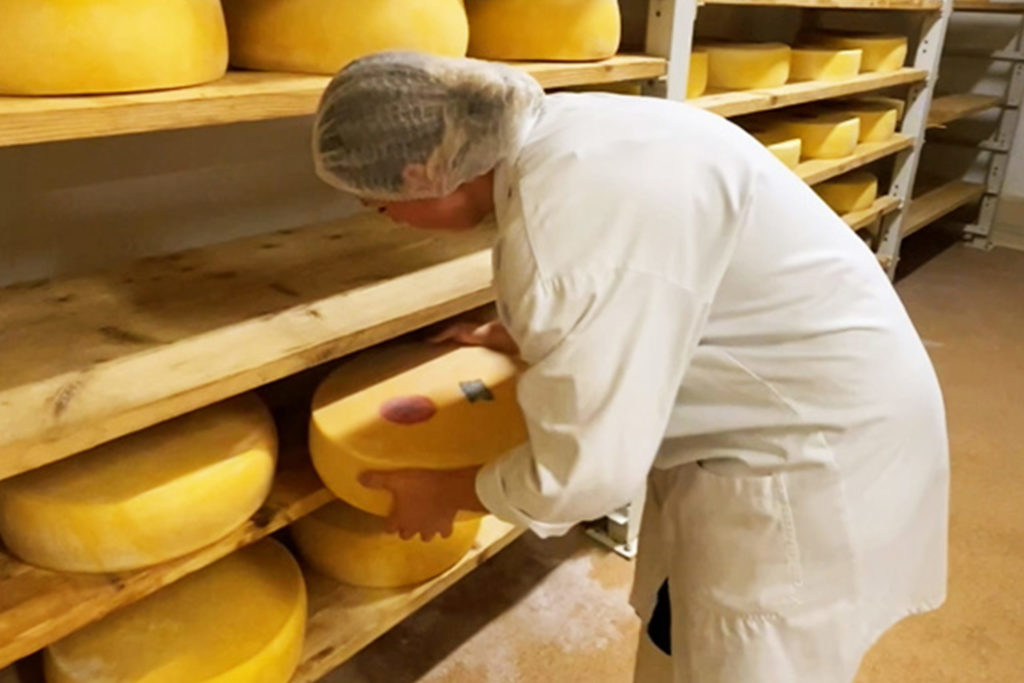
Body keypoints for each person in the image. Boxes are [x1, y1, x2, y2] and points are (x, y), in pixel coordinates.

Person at [312, 51, 949, 682]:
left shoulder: (566, 225)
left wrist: (446, 493)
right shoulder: (573, 130)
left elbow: (587, 474)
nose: (392, 219)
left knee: (750, 656)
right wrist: (521, 333)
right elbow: (650, 280)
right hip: (804, 393)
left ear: (425, 172)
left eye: (381, 204)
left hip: (807, 454)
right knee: (687, 630)